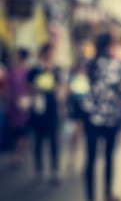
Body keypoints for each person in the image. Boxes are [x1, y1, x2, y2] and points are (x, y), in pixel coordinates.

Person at [82, 33, 121, 201]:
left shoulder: (89, 64)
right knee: (109, 157)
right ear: (110, 46)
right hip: (111, 118)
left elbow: (79, 88)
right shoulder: (118, 66)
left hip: (91, 117)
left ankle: (90, 196)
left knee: (91, 159)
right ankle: (107, 193)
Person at [28, 43, 62, 184]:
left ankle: (55, 170)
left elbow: (59, 88)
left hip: (52, 108)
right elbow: (29, 87)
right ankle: (39, 170)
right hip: (38, 109)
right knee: (39, 140)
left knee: (54, 139)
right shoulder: (35, 70)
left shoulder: (55, 70)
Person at [7, 49, 31, 167]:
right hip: (13, 104)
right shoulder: (12, 70)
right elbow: (8, 86)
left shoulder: (27, 70)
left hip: (24, 103)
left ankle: (20, 154)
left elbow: (31, 86)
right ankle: (18, 153)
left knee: (23, 129)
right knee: (15, 129)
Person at [66, 58, 90, 171]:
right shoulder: (73, 78)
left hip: (86, 108)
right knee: (75, 133)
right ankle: (73, 155)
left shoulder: (88, 78)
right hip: (76, 107)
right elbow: (68, 92)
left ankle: (81, 156)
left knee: (83, 134)